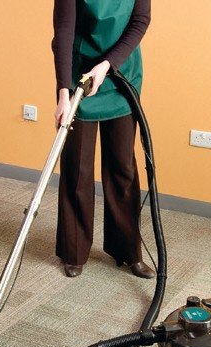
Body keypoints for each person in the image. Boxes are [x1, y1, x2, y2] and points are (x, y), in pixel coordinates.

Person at [52, 0, 154, 278]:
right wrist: (63, 93)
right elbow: (64, 30)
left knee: (123, 166)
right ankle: (73, 251)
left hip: (121, 73)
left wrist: (107, 65)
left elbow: (139, 21)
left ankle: (127, 251)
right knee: (78, 167)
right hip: (80, 76)